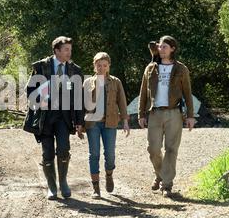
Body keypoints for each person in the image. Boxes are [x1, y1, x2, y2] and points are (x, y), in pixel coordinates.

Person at [24, 36, 84, 200]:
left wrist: (79, 121)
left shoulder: (74, 70)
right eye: (66, 50)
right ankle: (52, 185)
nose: (69, 53)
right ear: (56, 51)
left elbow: (79, 97)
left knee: (64, 149)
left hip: (64, 117)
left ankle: (63, 182)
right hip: (45, 117)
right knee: (47, 153)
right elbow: (29, 91)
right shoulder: (41, 67)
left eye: (70, 50)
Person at [138, 35, 195, 197]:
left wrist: (190, 116)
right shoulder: (150, 68)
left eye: (164, 47)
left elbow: (188, 94)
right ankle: (160, 174)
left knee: (171, 149)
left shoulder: (181, 69)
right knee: (153, 149)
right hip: (155, 113)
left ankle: (167, 184)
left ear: (172, 49)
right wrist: (141, 114)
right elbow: (143, 92)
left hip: (174, 113)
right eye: (160, 47)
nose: (161, 50)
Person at [83, 52, 130, 198]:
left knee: (110, 154)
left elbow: (122, 103)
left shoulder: (116, 82)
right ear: (94, 65)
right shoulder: (87, 82)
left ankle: (109, 174)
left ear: (109, 66)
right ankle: (96, 188)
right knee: (94, 154)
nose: (101, 68)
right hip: (92, 123)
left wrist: (125, 122)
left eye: (104, 65)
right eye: (99, 65)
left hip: (110, 123)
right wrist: (79, 124)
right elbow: (81, 105)